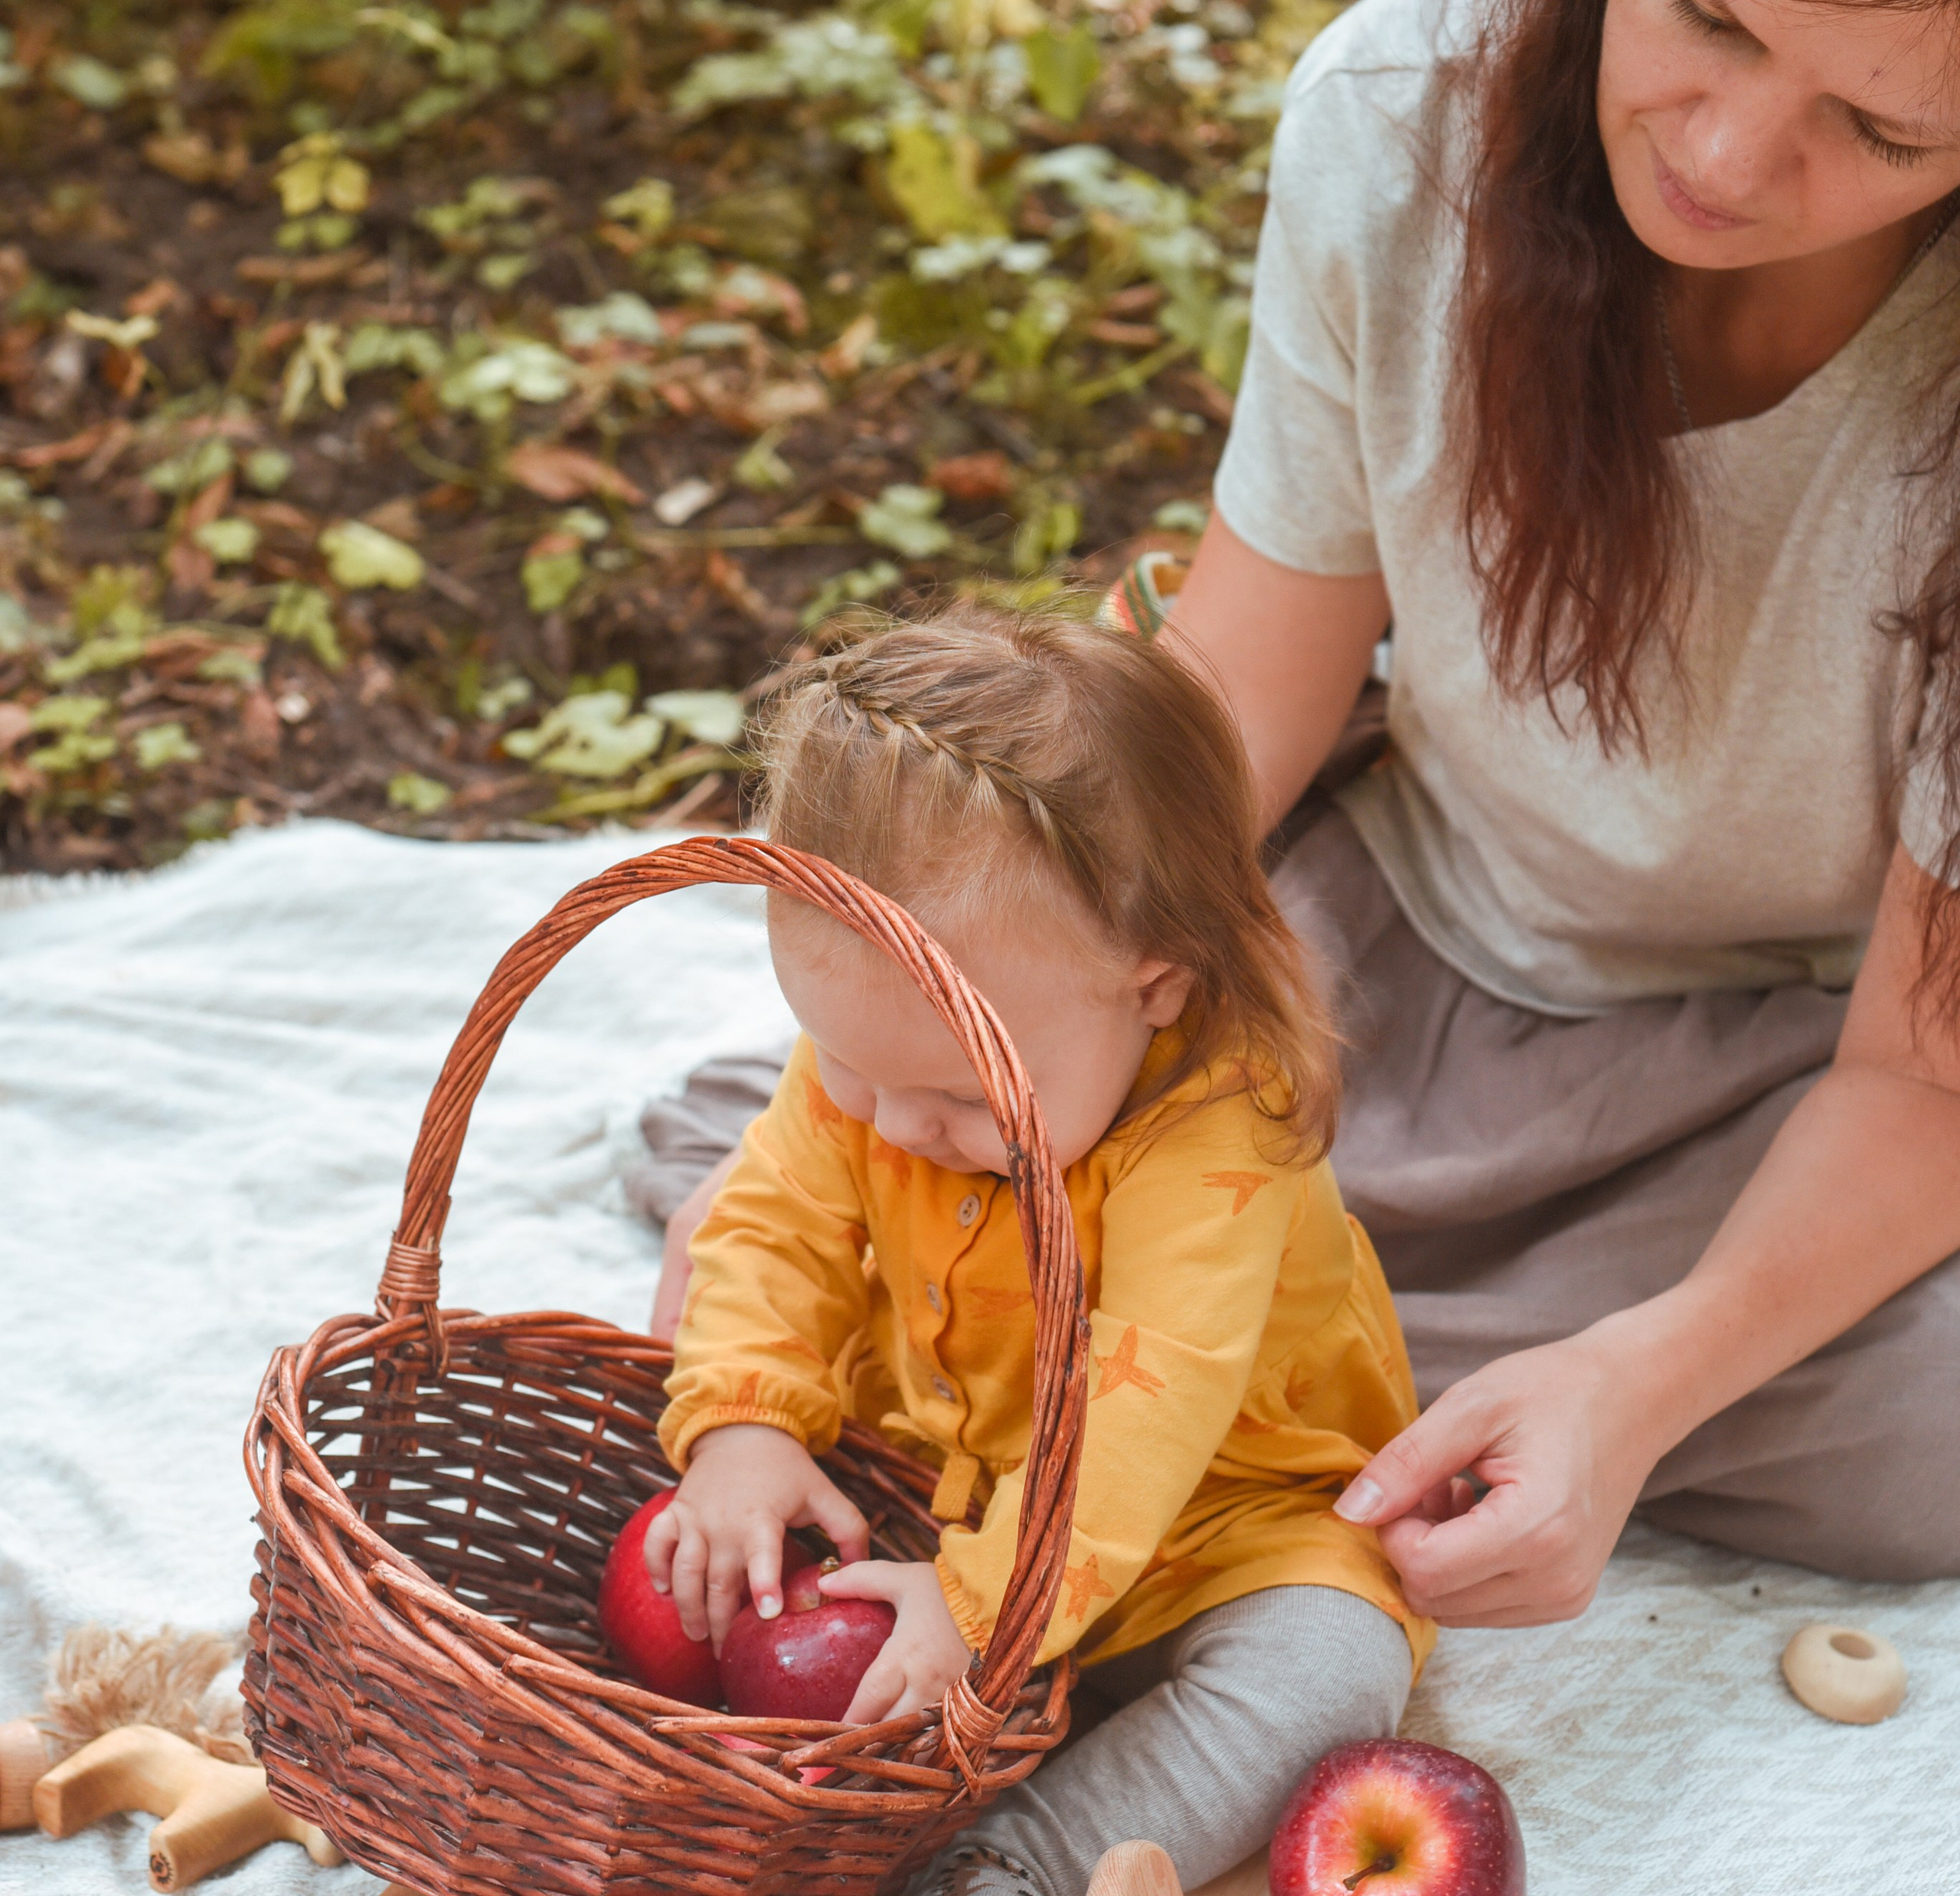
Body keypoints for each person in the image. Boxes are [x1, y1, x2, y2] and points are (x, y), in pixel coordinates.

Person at [650, 0, 1960, 1634]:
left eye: (1881, 132)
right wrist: (940, 1018)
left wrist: (1640, 1378)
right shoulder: (1402, 112)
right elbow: (1232, 697)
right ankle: (1241, 1364)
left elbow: (1919, 1066)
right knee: (847, 1120)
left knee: (1934, 1426)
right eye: (1707, 23)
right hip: (1369, 921)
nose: (1718, 155)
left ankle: (1191, 1359)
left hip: (1783, 1051)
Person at [645, 605, 1432, 1896]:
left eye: (956, 1094)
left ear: (1157, 988)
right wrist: (744, 1424)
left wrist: (983, 1608)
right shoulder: (886, 1066)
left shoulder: (1222, 1128)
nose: (889, 1124)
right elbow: (774, 1220)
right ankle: (809, 1810)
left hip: (1211, 1522)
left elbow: (1145, 1401)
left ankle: (1015, 1863)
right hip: (940, 1492)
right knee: (738, 1515)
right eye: (843, 1067)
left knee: (1337, 1659)